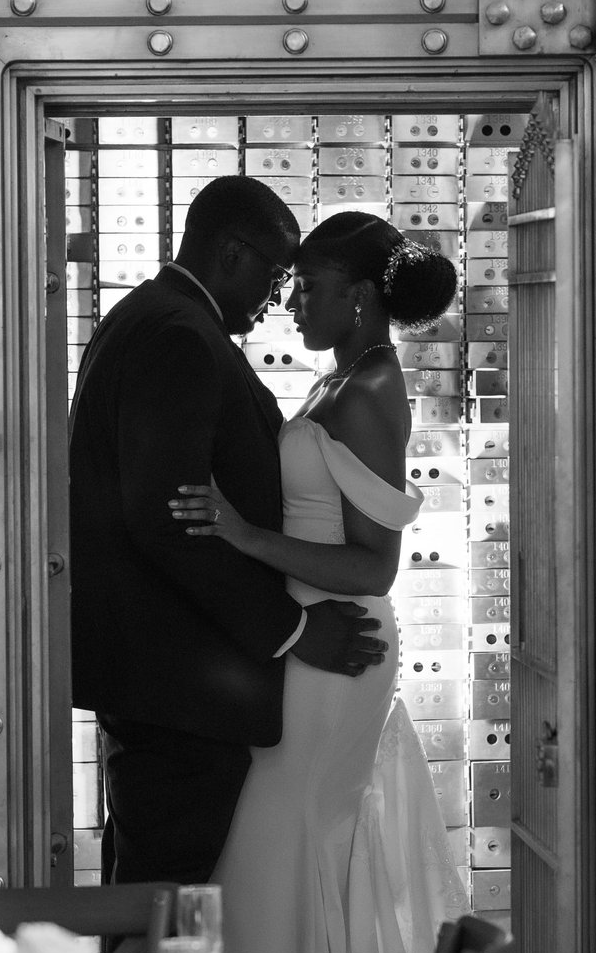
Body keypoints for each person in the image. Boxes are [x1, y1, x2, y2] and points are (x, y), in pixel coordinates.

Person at [170, 211, 473, 953]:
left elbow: (372, 566)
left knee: (281, 861)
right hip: (318, 651)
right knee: (300, 872)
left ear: (357, 295)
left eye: (307, 286)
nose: (291, 301)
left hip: (335, 654)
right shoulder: (347, 380)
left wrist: (242, 533)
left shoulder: (372, 390)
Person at [68, 175, 387, 888]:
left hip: (162, 687)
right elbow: (172, 522)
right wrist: (296, 630)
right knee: (164, 915)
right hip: (181, 693)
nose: (275, 301)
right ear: (233, 253)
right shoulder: (179, 337)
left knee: (149, 903)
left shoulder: (151, 318)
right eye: (274, 278)